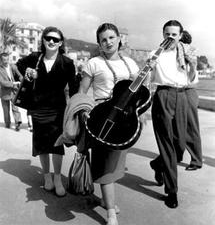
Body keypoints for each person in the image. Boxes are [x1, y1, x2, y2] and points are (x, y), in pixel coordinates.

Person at [79, 23, 139, 225]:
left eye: (112, 37)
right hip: (101, 118)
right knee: (105, 164)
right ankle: (111, 212)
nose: (108, 42)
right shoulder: (93, 63)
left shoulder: (130, 63)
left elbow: (139, 91)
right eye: (103, 39)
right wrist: (85, 109)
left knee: (116, 163)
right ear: (99, 43)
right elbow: (82, 93)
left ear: (119, 39)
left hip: (124, 120)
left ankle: (106, 201)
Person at [16, 26, 78, 197]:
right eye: (48, 38)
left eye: (55, 39)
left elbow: (74, 89)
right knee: (42, 146)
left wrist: (76, 110)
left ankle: (57, 178)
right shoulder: (35, 58)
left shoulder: (67, 63)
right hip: (37, 109)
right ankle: (47, 177)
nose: (51, 41)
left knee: (57, 146)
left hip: (58, 111)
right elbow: (19, 65)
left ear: (60, 43)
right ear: (43, 40)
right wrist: (27, 72)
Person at [149, 20, 199, 208]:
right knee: (167, 145)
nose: (170, 37)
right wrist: (149, 66)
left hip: (182, 95)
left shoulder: (188, 52)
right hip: (163, 95)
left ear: (180, 35)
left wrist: (193, 65)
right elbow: (147, 79)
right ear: (163, 34)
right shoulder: (155, 54)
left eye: (174, 34)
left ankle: (158, 164)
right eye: (167, 34)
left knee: (180, 145)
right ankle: (172, 191)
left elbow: (193, 80)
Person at [180, 30, 202, 170]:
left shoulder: (190, 55)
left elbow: (192, 80)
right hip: (177, 92)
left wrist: (192, 64)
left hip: (188, 91)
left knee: (191, 127)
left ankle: (196, 160)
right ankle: (177, 155)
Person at [0, 48, 22, 131]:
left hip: (13, 92)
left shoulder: (12, 66)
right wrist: (14, 83)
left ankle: (18, 123)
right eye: (4, 60)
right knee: (6, 110)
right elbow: (3, 82)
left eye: (7, 59)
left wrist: (21, 80)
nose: (6, 61)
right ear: (1, 60)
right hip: (4, 93)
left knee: (15, 108)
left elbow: (20, 75)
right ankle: (7, 123)